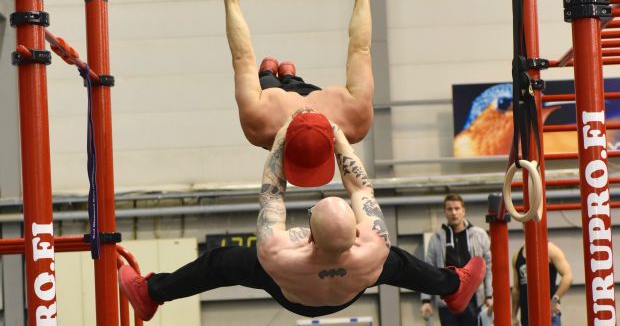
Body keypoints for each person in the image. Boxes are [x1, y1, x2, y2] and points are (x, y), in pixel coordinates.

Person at [118, 111, 487, 321]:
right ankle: (454, 289)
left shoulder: (276, 252)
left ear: (307, 234)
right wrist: (340, 138)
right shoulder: (374, 245)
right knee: (399, 264)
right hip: (352, 285)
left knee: (219, 262)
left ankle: (152, 293)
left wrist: (280, 139)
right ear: (357, 232)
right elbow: (360, 189)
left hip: (290, 288)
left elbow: (272, 193)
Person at [221, 0, 375, 149]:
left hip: (279, 106)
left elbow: (242, 58)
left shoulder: (261, 124)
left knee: (267, 81)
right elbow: (360, 49)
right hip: (302, 99)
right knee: (290, 84)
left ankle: (272, 74)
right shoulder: (353, 119)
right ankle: (288, 77)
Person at [420, 194, 493, 326]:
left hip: (474, 301)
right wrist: (426, 300)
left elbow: (488, 268)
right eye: (450, 209)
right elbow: (428, 269)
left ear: (463, 210)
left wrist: (489, 296)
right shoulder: (436, 238)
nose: (454, 212)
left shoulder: (479, 235)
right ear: (445, 212)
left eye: (457, 208)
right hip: (447, 302)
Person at [511, 241, 573, 326]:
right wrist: (513, 316)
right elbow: (516, 289)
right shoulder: (517, 256)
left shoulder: (550, 250)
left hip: (548, 316)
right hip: (527, 318)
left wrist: (555, 299)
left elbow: (568, 275)